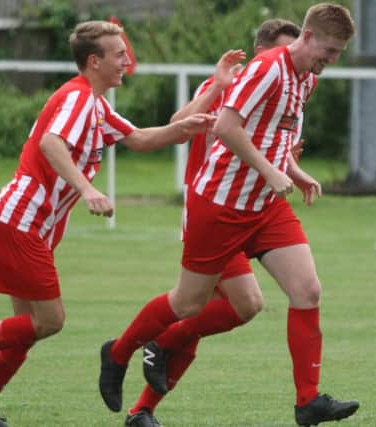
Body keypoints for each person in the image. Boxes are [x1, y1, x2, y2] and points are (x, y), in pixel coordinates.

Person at [0, 20, 213, 427]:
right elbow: (50, 143)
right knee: (50, 321)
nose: (126, 60)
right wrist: (88, 189)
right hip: (23, 220)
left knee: (27, 328)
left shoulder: (96, 105)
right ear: (94, 61)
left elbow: (138, 138)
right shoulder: (78, 99)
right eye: (118, 55)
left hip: (30, 224)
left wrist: (180, 129)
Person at [98, 3, 360, 426]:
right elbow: (224, 127)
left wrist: (294, 172)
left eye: (338, 54)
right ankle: (118, 352)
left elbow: (277, 135)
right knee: (188, 303)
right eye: (328, 51)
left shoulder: (306, 79)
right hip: (220, 203)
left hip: (263, 205)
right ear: (307, 38)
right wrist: (271, 171)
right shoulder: (265, 70)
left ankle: (307, 401)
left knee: (307, 290)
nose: (331, 61)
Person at [120, 19, 306, 427]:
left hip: (251, 212)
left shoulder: (286, 94)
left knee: (215, 311)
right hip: (213, 210)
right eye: (283, 51)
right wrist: (221, 86)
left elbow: (276, 147)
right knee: (230, 305)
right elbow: (178, 122)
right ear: (261, 53)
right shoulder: (231, 85)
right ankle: (149, 365)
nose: (291, 60)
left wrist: (292, 164)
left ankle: (144, 404)